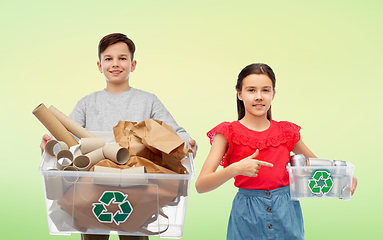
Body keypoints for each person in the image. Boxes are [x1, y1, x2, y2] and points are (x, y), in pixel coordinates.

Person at [40, 33, 197, 240]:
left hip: (138, 183)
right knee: (93, 233)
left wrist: (187, 145)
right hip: (93, 183)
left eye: (122, 58)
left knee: (135, 233)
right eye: (108, 58)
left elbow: (176, 133)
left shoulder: (148, 101)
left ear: (133, 65)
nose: (115, 64)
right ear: (99, 65)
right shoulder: (87, 103)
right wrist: (50, 146)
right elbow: (66, 139)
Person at [195, 63, 357, 240]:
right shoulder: (227, 133)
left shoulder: (286, 132)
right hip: (247, 217)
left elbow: (318, 167)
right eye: (251, 90)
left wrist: (343, 178)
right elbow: (201, 185)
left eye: (265, 90)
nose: (259, 96)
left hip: (287, 214)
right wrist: (236, 168)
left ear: (273, 94)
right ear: (240, 94)